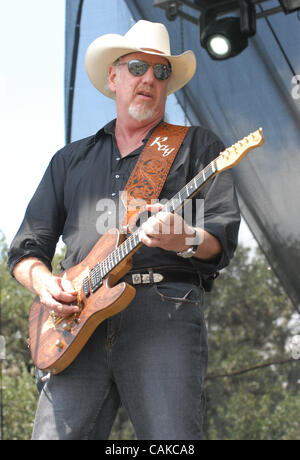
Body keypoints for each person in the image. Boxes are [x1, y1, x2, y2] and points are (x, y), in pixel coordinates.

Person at [8, 20, 240, 440]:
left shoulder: (196, 146)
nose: (149, 78)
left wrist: (185, 238)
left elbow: (221, 240)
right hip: (73, 321)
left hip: (163, 310)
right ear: (113, 77)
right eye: (137, 67)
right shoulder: (69, 160)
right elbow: (25, 250)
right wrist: (45, 285)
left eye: (161, 71)